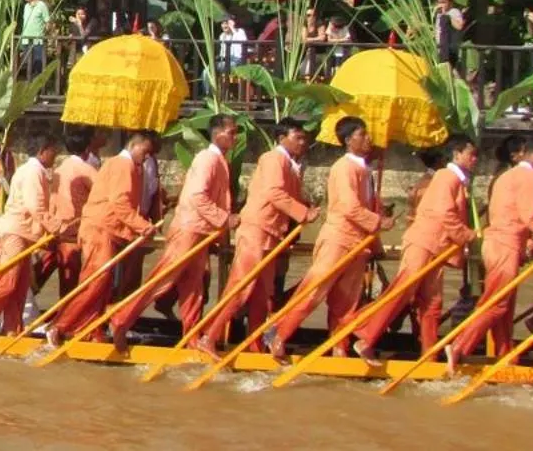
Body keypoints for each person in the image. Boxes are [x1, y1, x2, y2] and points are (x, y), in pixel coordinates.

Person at [268, 118, 395, 361]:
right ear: (349, 141)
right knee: (313, 292)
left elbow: (367, 208)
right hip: (338, 239)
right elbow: (349, 207)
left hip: (358, 244)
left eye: (368, 134)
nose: (368, 139)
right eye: (362, 134)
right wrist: (379, 222)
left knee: (346, 302)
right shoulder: (343, 168)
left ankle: (340, 347)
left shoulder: (365, 172)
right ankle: (279, 336)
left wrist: (375, 241)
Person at [445, 135, 533, 373]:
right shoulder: (529, 176)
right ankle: (459, 346)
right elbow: (531, 216)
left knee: (504, 306)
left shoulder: (509, 176)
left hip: (497, 244)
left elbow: (527, 205)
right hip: (505, 245)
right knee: (496, 304)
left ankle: (506, 357)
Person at [112, 116, 238, 347]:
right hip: (189, 229)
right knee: (162, 279)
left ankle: (192, 336)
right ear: (217, 133)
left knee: (194, 286)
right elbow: (197, 196)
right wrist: (224, 219)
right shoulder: (207, 159)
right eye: (231, 132)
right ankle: (121, 319)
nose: (235, 137)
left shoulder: (218, 160)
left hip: (202, 231)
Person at [352, 135, 477, 360]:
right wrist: (467, 235)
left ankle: (428, 355)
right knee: (403, 291)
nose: (475, 159)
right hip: (423, 243)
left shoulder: (455, 181)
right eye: (471, 154)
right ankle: (365, 336)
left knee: (432, 302)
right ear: (457, 155)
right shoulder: (446, 177)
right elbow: (444, 213)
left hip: (436, 247)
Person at [198, 119, 316, 356]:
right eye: (298, 137)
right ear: (282, 138)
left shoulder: (291, 164)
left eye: (305, 139)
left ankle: (255, 345)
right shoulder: (273, 158)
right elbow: (274, 192)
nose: (303, 143)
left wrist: (303, 206)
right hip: (257, 229)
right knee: (241, 287)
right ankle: (209, 337)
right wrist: (304, 213)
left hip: (272, 233)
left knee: (262, 294)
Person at [48, 129, 158, 347]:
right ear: (133, 145)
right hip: (99, 229)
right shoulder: (122, 164)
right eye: (145, 152)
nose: (146, 157)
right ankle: (60, 326)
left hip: (109, 230)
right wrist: (142, 226)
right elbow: (120, 203)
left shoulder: (131, 167)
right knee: (96, 281)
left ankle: (91, 328)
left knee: (104, 284)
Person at [0, 130, 61, 335]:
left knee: (20, 287)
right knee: (8, 283)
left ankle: (12, 329)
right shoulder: (34, 172)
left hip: (24, 234)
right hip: (14, 232)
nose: (56, 156)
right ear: (43, 151)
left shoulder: (29, 168)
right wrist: (55, 227)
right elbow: (36, 207)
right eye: (54, 151)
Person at [44, 127, 101, 296]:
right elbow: (102, 195)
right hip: (73, 231)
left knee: (56, 273)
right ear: (88, 146)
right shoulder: (87, 170)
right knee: (70, 280)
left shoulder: (60, 169)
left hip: (56, 227)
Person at [20, 0, 50, 76]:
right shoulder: (26, 6)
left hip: (37, 41)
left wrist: (44, 34)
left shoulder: (42, 5)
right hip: (25, 40)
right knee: (26, 66)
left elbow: (47, 22)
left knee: (37, 66)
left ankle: (39, 88)